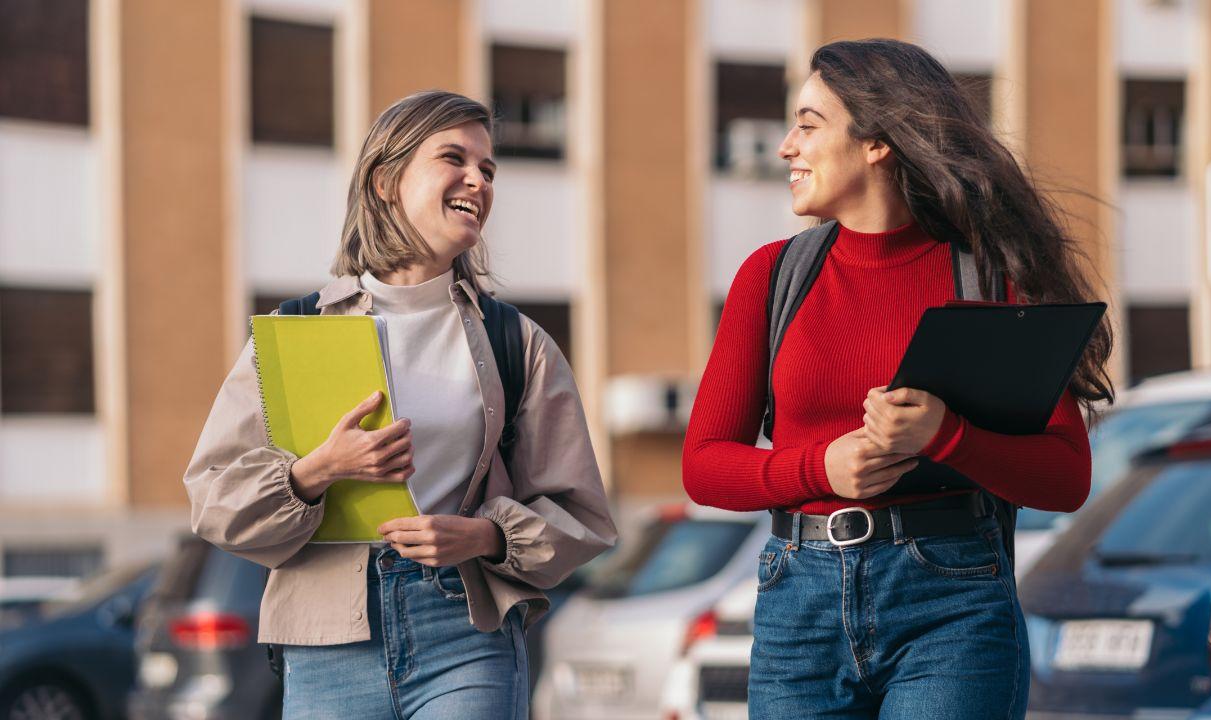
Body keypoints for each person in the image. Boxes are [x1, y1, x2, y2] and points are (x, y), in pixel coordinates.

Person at [683, 39, 1113, 719]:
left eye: (808, 124)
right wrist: (823, 466)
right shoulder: (771, 278)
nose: (785, 147)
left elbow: (1067, 477)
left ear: (877, 141)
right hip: (798, 606)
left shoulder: (992, 278)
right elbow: (704, 466)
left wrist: (948, 436)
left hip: (954, 604)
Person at [184, 90, 616, 720]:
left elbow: (584, 515)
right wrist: (318, 469)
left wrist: (486, 535)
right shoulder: (297, 331)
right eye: (454, 158)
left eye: (488, 169)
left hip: (466, 633)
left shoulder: (516, 342)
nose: (478, 180)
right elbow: (212, 498)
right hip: (327, 642)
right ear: (385, 181)